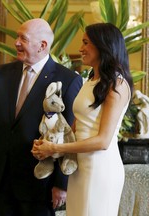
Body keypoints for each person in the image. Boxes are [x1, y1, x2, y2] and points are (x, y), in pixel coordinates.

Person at [0, 18, 83, 216]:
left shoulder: (68, 80)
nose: (16, 42)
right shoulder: (3, 72)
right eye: (17, 37)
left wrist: (61, 185)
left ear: (42, 45)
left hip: (38, 185)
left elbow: (68, 134)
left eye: (23, 38)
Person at [32, 23, 133, 216]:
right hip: (79, 167)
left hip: (100, 168)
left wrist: (55, 149)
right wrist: (49, 143)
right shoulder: (91, 79)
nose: (80, 49)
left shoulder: (117, 85)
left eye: (86, 43)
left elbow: (103, 141)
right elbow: (77, 126)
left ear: (103, 45)